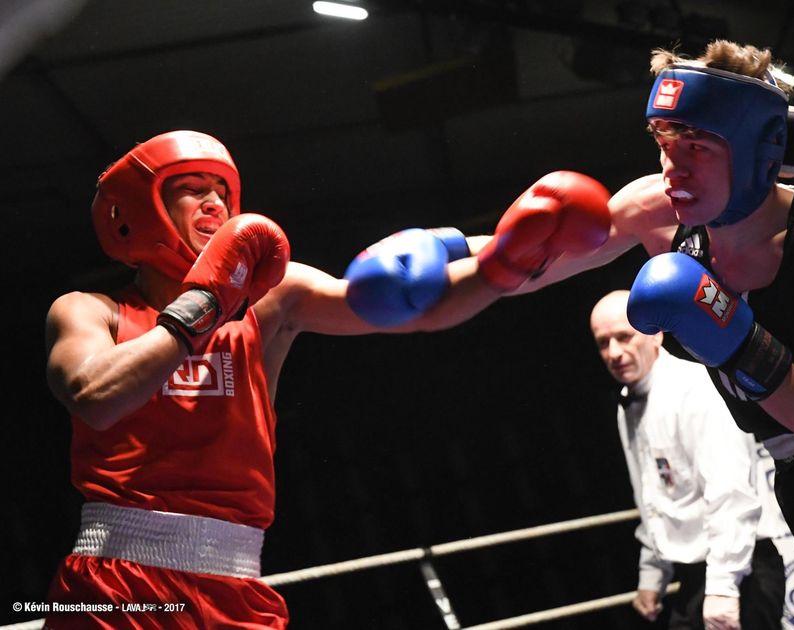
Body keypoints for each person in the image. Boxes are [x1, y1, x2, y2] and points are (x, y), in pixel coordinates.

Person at [444, 39, 794, 628]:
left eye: (699, 148)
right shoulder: (657, 208)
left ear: (761, 149)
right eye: (665, 144)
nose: (673, 168)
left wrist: (734, 337)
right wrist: (435, 257)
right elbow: (532, 264)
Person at [41, 129, 613, 628]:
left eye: (221, 190)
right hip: (120, 582)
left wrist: (502, 263)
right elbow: (94, 397)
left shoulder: (271, 300)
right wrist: (206, 302)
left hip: (236, 582)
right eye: (191, 189)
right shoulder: (90, 310)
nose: (214, 201)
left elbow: (401, 308)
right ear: (141, 214)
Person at [590, 290, 785, 630]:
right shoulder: (629, 404)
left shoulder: (695, 389)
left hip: (741, 570)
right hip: (694, 574)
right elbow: (653, 496)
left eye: (623, 337)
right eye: (603, 343)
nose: (614, 353)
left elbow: (731, 492)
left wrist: (723, 587)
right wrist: (653, 576)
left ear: (654, 333)